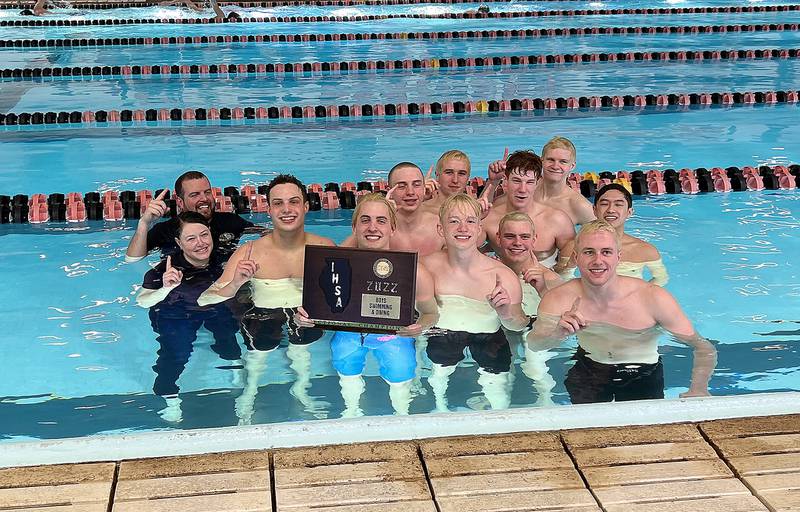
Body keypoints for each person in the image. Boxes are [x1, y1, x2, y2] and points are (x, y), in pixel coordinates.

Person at [526, 220, 717, 404]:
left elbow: (703, 347)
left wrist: (699, 388)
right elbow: (535, 344)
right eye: (589, 252)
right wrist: (558, 333)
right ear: (576, 258)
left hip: (642, 372)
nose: (598, 260)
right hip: (589, 368)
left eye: (606, 252)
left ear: (618, 257)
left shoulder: (653, 298)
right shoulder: (560, 298)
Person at [198, 174, 335, 424]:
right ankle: (249, 393)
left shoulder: (324, 247)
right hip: (261, 315)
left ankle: (301, 390)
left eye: (293, 202)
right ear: (268, 209)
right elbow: (207, 298)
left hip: (306, 319)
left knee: (301, 352)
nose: (286, 210)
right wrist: (237, 282)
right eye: (278, 203)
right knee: (258, 356)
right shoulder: (249, 252)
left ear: (305, 206)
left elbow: (344, 294)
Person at [295, 193, 439, 417]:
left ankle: (403, 415)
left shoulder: (414, 272)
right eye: (365, 220)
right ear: (354, 228)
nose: (373, 227)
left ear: (392, 229)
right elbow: (318, 313)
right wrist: (304, 319)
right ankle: (351, 412)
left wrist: (420, 327)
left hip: (393, 337)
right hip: (349, 336)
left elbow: (430, 313)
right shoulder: (335, 268)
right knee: (346, 372)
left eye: (381, 221)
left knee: (400, 379)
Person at [423, 194, 529, 411]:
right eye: (454, 221)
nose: (463, 228)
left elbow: (518, 325)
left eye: (470, 221)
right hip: (441, 337)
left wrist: (505, 311)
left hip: (489, 338)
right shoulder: (425, 268)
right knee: (438, 382)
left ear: (479, 229)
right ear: (440, 229)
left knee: (497, 392)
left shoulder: (501, 275)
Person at [136, 212, 242, 423]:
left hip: (213, 307)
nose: (200, 243)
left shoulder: (225, 260)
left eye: (204, 235)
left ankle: (234, 370)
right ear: (179, 243)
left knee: (228, 335)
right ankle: (170, 396)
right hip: (176, 313)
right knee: (175, 354)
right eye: (191, 239)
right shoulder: (166, 269)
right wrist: (165, 288)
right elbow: (143, 301)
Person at [494, 211, 562, 406]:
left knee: (537, 367)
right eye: (510, 236)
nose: (517, 243)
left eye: (524, 237)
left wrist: (542, 289)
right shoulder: (487, 273)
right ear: (498, 238)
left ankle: (547, 404)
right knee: (501, 372)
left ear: (534, 239)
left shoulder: (550, 279)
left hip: (535, 327)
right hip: (500, 328)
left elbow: (562, 315)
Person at [125, 170, 254, 263]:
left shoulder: (231, 221)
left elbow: (265, 235)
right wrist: (143, 223)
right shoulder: (165, 230)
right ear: (180, 202)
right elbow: (133, 259)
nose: (204, 199)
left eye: (207, 192)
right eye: (195, 195)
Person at [481, 150, 575, 270]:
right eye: (516, 181)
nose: (522, 189)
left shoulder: (557, 221)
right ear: (506, 180)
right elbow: (463, 251)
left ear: (538, 183)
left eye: (530, 182)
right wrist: (493, 182)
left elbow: (568, 270)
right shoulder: (489, 219)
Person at [559, 183, 669, 285]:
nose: (611, 209)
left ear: (629, 212)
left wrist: (639, 298)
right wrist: (570, 266)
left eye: (618, 204)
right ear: (594, 210)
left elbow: (661, 279)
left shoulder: (645, 250)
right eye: (604, 204)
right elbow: (560, 280)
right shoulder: (574, 247)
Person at [341, 162, 444, 256]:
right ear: (389, 191)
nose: (410, 192)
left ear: (424, 188)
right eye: (401, 186)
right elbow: (337, 256)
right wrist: (384, 211)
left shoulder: (440, 227)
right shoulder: (379, 228)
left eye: (416, 185)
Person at [422, 150, 472, 214]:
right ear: (437, 176)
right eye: (449, 173)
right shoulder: (420, 210)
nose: (455, 180)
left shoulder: (476, 211)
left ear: (468, 178)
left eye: (461, 173)